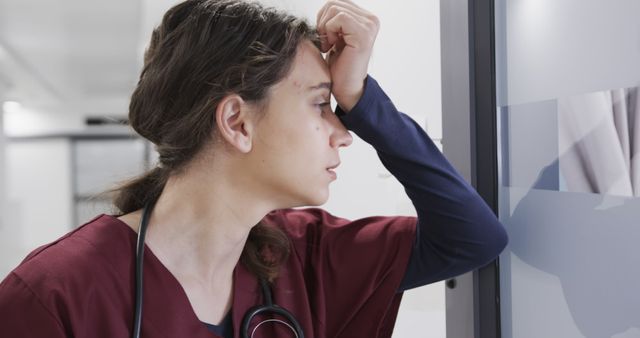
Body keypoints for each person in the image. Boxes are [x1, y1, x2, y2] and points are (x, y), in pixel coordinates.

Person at [0, 0, 508, 337]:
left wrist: (364, 99)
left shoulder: (304, 255)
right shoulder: (55, 295)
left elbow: (471, 237)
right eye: (320, 104)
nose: (343, 131)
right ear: (237, 121)